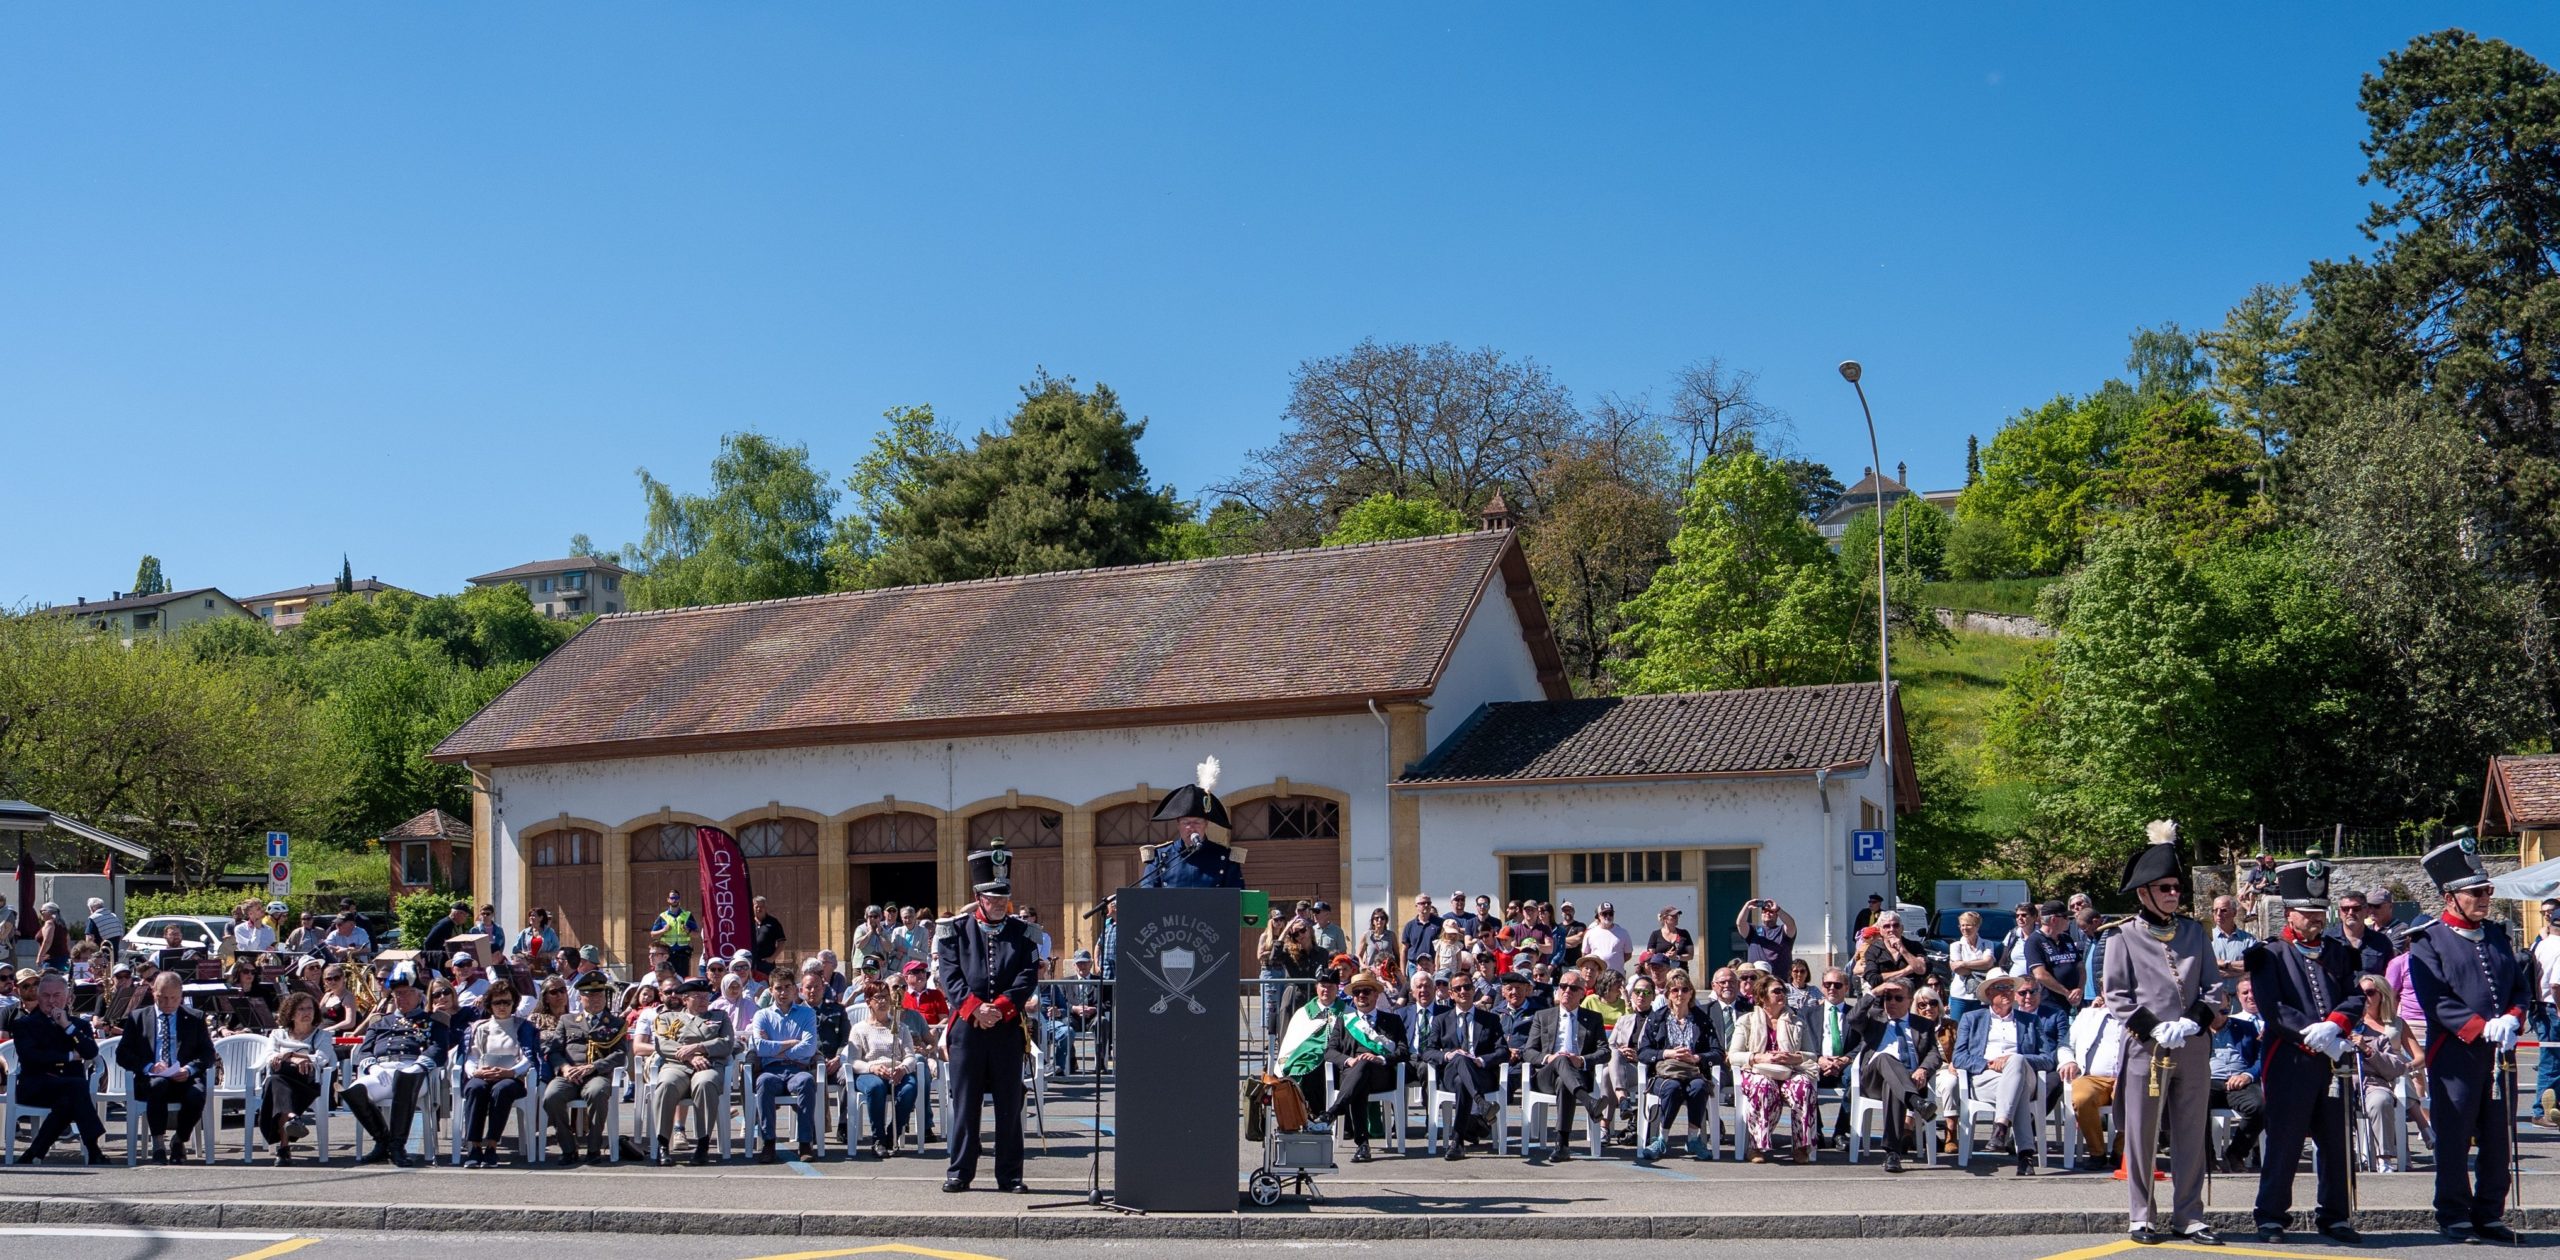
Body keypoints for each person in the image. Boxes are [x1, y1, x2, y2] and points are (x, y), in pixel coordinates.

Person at [2404, 831, 2528, 1244]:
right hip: (2455, 1055)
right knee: (2454, 1138)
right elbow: (2435, 999)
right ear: (2450, 897)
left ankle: (2489, 1213)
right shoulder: (2428, 941)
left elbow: (2519, 988)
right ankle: (2454, 1213)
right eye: (2475, 892)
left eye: (2487, 890)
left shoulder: (2496, 935)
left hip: (2500, 1054)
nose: (2484, 898)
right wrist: (2478, 1026)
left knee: (2498, 1138)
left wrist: (2512, 1018)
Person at [2102, 820, 2221, 1247]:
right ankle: (2141, 1216)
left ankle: (2189, 1215)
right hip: (2145, 1048)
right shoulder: (2122, 936)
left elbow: (2214, 988)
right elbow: (2116, 996)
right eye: (2165, 887)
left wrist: (2192, 1021)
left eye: (2176, 887)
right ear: (2144, 893)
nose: (2173, 893)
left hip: (2192, 1045)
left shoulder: (2194, 932)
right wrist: (2154, 1028)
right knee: (2142, 1134)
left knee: (2191, 1133)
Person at [2237, 858, 2362, 1243]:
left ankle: (2336, 1216)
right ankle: (2271, 1216)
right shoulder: (2270, 953)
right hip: (2290, 1060)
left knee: (2337, 1142)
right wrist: (2313, 1035)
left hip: (2333, 1060)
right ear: (2289, 913)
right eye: (2308, 913)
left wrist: (2336, 1026)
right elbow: (2273, 1008)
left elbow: (2355, 995)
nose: (2316, 919)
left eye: (2320, 912)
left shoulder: (2337, 951)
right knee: (2285, 1142)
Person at [935, 839, 1040, 1192]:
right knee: (966, 1104)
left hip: (1006, 1030)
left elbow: (1027, 975)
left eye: (1003, 897)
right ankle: (959, 1172)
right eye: (992, 898)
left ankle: (1009, 1175)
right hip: (967, 1031)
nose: (998, 904)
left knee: (1010, 1105)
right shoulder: (954, 931)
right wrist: (975, 1009)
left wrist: (1003, 1008)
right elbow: (950, 977)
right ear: (978, 897)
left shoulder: (1023, 934)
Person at [1949, 974, 2052, 1175]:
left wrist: (2012, 1059)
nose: (2007, 991)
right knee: (2018, 1089)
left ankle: (2000, 1126)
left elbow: (2047, 1059)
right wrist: (1988, 1064)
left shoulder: (2030, 1020)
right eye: (2001, 987)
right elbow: (1959, 1057)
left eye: (2010, 987)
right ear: (1989, 993)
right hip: (1986, 1077)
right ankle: (2025, 1155)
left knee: (2016, 1061)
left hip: (2025, 1073)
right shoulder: (1972, 1018)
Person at [2, 973, 106, 1163]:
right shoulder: (24, 1024)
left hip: (69, 1090)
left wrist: (67, 1026)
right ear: (38, 996)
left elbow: (91, 1052)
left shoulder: (78, 1025)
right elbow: (32, 1058)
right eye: (46, 995)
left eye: (57, 995)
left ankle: (33, 1153)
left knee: (68, 1100)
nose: (51, 1001)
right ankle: (93, 1148)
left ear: (67, 998)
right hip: (37, 1086)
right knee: (77, 1087)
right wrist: (69, 1056)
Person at [113, 971, 214, 1162]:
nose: (168, 1003)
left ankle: (179, 1139)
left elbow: (208, 1054)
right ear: (153, 992)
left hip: (184, 1077)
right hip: (151, 1079)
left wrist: (188, 1069)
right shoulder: (138, 1017)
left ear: (181, 995)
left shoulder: (194, 1018)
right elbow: (123, 1054)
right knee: (158, 1085)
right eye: (163, 997)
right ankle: (158, 1143)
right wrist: (149, 1067)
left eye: (173, 998)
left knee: (197, 1094)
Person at [1307, 972, 1406, 1163]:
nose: (1361, 995)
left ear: (1376, 995)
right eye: (1357, 992)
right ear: (1353, 997)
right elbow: (1330, 1051)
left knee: (1365, 1066)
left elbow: (1403, 1051)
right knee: (1360, 1077)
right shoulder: (1344, 1020)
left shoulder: (1392, 1020)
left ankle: (1333, 1114)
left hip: (1381, 1076)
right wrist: (1348, 1061)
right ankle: (1362, 1146)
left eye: (1366, 991)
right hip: (1352, 1074)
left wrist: (1380, 1058)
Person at [1846, 976, 1940, 1173]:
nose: (1891, 1002)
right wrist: (1875, 992)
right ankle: (1916, 1102)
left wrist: (1923, 1069)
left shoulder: (1922, 1024)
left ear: (1909, 1000)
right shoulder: (1874, 1018)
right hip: (1873, 1078)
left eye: (1898, 998)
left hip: (1909, 1080)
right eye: (1888, 998)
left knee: (1893, 1085)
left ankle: (1893, 1153)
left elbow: (1934, 1055)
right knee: (1885, 1057)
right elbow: (1852, 1019)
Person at [340, 974, 434, 1165]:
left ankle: (398, 1147)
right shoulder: (381, 1022)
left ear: (419, 995)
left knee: (405, 1080)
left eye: (407, 993)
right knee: (354, 1091)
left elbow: (438, 1048)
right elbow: (365, 1050)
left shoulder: (431, 1020)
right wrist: (373, 1066)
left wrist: (418, 1065)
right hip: (382, 1069)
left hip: (413, 1069)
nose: (402, 997)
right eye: (398, 994)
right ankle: (383, 1142)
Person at [1634, 969, 1723, 1163]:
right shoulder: (1657, 1019)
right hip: (1664, 1074)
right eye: (1675, 990)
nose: (1680, 994)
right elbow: (1643, 1052)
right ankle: (1662, 1139)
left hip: (1693, 1072)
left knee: (1699, 1087)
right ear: (1667, 994)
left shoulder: (1702, 1020)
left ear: (1691, 993)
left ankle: (1693, 1139)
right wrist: (1667, 1053)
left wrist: (1697, 1057)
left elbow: (1718, 1052)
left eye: (1684, 989)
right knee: (1673, 1088)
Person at [539, 970, 628, 1165]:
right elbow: (554, 1051)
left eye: (599, 995)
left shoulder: (616, 1023)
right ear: (580, 997)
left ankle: (594, 1148)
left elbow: (620, 1055)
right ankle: (568, 1147)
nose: (596, 999)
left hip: (596, 1075)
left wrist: (593, 1067)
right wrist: (564, 1068)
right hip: (569, 1074)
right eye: (590, 995)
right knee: (551, 1096)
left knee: (597, 1093)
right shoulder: (568, 1020)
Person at [1726, 971, 1815, 1163]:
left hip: (1788, 1071)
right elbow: (1733, 1056)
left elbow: (1812, 1055)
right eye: (1776, 991)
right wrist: (1758, 1057)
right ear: (1762, 996)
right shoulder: (1747, 1021)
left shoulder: (1797, 1022)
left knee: (1804, 1086)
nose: (1782, 994)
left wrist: (1793, 1057)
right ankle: (1756, 1146)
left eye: (1783, 991)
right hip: (1757, 1071)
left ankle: (1801, 1145)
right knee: (1765, 1086)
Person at [1520, 968, 1604, 1162]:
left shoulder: (1593, 1018)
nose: (1567, 991)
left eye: (1573, 988)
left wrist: (1581, 1060)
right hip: (1546, 1075)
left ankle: (1562, 1145)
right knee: (1561, 1059)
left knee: (1563, 1082)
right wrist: (1549, 1058)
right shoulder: (1543, 1016)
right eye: (1563, 986)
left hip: (1577, 1075)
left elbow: (1605, 1051)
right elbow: (1528, 1051)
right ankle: (1588, 1102)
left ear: (1582, 993)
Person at [650, 977, 734, 1165]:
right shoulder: (667, 1018)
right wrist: (689, 1057)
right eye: (698, 996)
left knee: (705, 1083)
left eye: (706, 996)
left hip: (707, 1063)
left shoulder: (719, 1017)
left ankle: (702, 1145)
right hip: (677, 1064)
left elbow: (727, 1043)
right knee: (666, 1085)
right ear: (685, 999)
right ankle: (663, 1144)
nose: (704, 1001)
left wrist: (700, 1047)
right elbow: (662, 1044)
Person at [1428, 975, 1512, 1160]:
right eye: (1458, 989)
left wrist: (1482, 1060)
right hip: (1450, 1073)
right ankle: (1481, 1104)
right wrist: (1448, 1055)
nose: (1463, 991)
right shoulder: (1441, 1020)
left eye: (1467, 987)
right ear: (1451, 994)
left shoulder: (1490, 1019)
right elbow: (1428, 1051)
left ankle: (1457, 1143)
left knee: (1462, 1081)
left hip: (1481, 1074)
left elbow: (1503, 1052)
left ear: (1474, 990)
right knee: (1460, 1058)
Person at [1136, 758, 1247, 888]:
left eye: (1197, 822)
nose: (1191, 827)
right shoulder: (1161, 857)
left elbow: (1238, 895)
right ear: (1178, 825)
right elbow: (1146, 893)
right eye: (1186, 822)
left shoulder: (1224, 856)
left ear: (1206, 824)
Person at [2347, 975, 2419, 1172]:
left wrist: (2368, 1050)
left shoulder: (2387, 1030)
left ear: (2381, 995)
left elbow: (2399, 1065)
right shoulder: (2346, 1025)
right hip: (2346, 1079)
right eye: (2360, 994)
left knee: (2382, 1100)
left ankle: (2384, 1159)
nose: (2365, 998)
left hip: (2376, 1080)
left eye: (2370, 993)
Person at [457, 980, 534, 1166]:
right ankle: (474, 1147)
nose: (502, 1006)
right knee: (475, 1088)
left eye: (507, 1002)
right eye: (497, 1002)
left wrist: (511, 1072)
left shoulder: (524, 1027)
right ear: (489, 1005)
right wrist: (475, 1072)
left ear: (514, 1003)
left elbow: (529, 1058)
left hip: (511, 1078)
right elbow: (471, 1056)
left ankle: (491, 1146)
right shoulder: (479, 1027)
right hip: (483, 1074)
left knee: (501, 1090)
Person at [748, 971, 819, 1162]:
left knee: (806, 1081)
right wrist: (791, 1043)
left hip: (798, 1069)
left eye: (787, 987)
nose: (783, 992)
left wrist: (776, 1049)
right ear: (771, 991)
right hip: (772, 1069)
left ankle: (805, 1143)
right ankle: (768, 1142)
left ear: (795, 989)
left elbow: (809, 1047)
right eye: (778, 988)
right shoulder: (762, 1015)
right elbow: (760, 1047)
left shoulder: (807, 1014)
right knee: (763, 1083)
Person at [2058, 995, 2127, 1172]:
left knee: (2135, 1097)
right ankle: (2097, 1152)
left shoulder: (2137, 1015)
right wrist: (2068, 1061)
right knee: (2082, 1098)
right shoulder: (2088, 1015)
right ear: (2102, 992)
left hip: (2127, 1077)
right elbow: (2065, 1045)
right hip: (2091, 1078)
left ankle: (2121, 1152)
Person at [2207, 979, 2266, 1174]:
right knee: (2193, 1105)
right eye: (2214, 1011)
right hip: (2209, 1082)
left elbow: (2261, 1057)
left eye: (2224, 1011)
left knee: (2260, 1106)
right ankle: (2207, 1157)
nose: (2219, 1016)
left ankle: (2235, 1154)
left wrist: (2248, 1075)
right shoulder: (2197, 1032)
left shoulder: (2245, 1027)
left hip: (2240, 1081)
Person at [2023, 902, 2085, 1012]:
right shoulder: (2034, 941)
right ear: (2054, 919)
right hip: (2050, 1005)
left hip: (2075, 1001)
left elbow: (2080, 967)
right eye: (2065, 917)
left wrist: (2080, 989)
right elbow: (2040, 975)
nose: (2068, 920)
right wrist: (2067, 993)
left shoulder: (2066, 938)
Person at [1943, 911, 1997, 1023]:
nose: (1964, 928)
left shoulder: (1987, 944)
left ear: (1977, 926)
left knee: (1980, 1028)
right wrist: (1980, 966)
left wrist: (1963, 963)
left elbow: (1988, 963)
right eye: (1962, 925)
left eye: (1968, 925)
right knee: (1957, 1027)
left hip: (1981, 996)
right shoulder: (1955, 946)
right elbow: (1957, 970)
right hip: (1960, 996)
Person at [2332, 889, 2395, 977]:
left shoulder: (2382, 942)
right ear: (2340, 912)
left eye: (2356, 909)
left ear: (2366, 911)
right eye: (2345, 909)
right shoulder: (2326, 939)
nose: (2350, 913)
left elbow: (2390, 976)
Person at [1735, 897, 1797, 980]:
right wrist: (1747, 907)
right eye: (1764, 911)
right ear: (1761, 915)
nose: (1767, 913)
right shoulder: (1753, 930)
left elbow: (1791, 924)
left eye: (1771, 911)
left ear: (1777, 915)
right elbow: (1740, 923)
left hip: (1780, 981)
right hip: (1757, 980)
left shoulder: (1783, 931)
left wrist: (1778, 909)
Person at [652, 891, 699, 977]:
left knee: (682, 978)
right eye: (672, 898)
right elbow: (653, 934)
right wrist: (663, 930)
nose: (674, 900)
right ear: (668, 900)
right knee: (666, 977)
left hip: (682, 954)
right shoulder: (663, 916)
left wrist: (688, 931)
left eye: (676, 898)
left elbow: (697, 935)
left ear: (679, 899)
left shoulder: (687, 915)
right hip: (667, 954)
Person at [1582, 902, 1632, 974]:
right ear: (1599, 915)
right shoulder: (1590, 933)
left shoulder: (1623, 932)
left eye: (1610, 913)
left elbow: (1628, 954)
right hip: (1597, 975)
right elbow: (1585, 954)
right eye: (1604, 913)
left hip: (1616, 974)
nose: (1608, 916)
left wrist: (1615, 962)